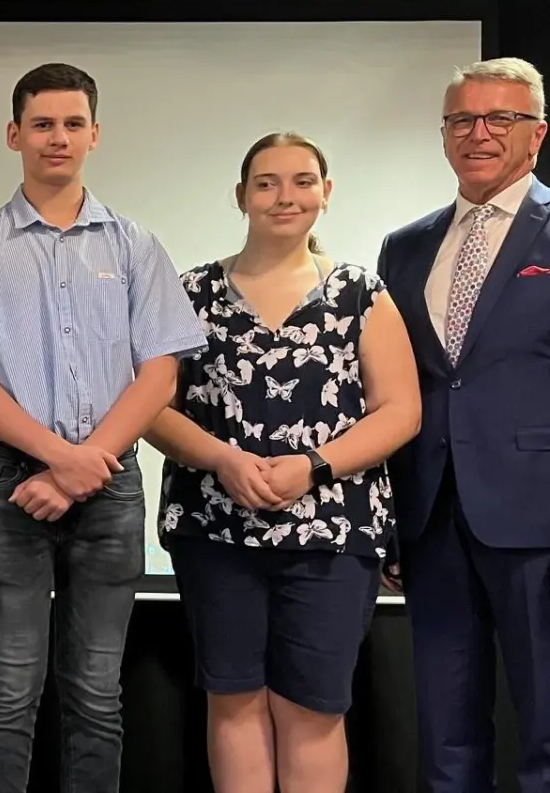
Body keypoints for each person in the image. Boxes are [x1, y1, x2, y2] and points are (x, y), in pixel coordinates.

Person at [0, 62, 207, 793]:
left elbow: (160, 373)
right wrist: (59, 460)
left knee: (95, 693)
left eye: (73, 124)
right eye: (43, 124)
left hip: (110, 489)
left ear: (95, 135)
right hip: (5, 488)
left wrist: (88, 464)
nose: (58, 137)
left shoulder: (135, 246)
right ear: (15, 134)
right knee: (9, 692)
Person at [146, 132, 420, 793]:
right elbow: (151, 408)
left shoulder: (360, 293)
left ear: (326, 194)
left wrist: (314, 467)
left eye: (302, 181)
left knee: (314, 707)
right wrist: (222, 460)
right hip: (216, 529)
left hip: (331, 535)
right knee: (233, 699)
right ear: (241, 197)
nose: (284, 196)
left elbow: (400, 410)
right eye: (266, 183)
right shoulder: (191, 293)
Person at [376, 56, 550, 793]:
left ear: (536, 134)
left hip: (537, 515)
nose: (478, 134)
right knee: (446, 727)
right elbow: (392, 386)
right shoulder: (404, 246)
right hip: (432, 514)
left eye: (500, 119)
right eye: (462, 120)